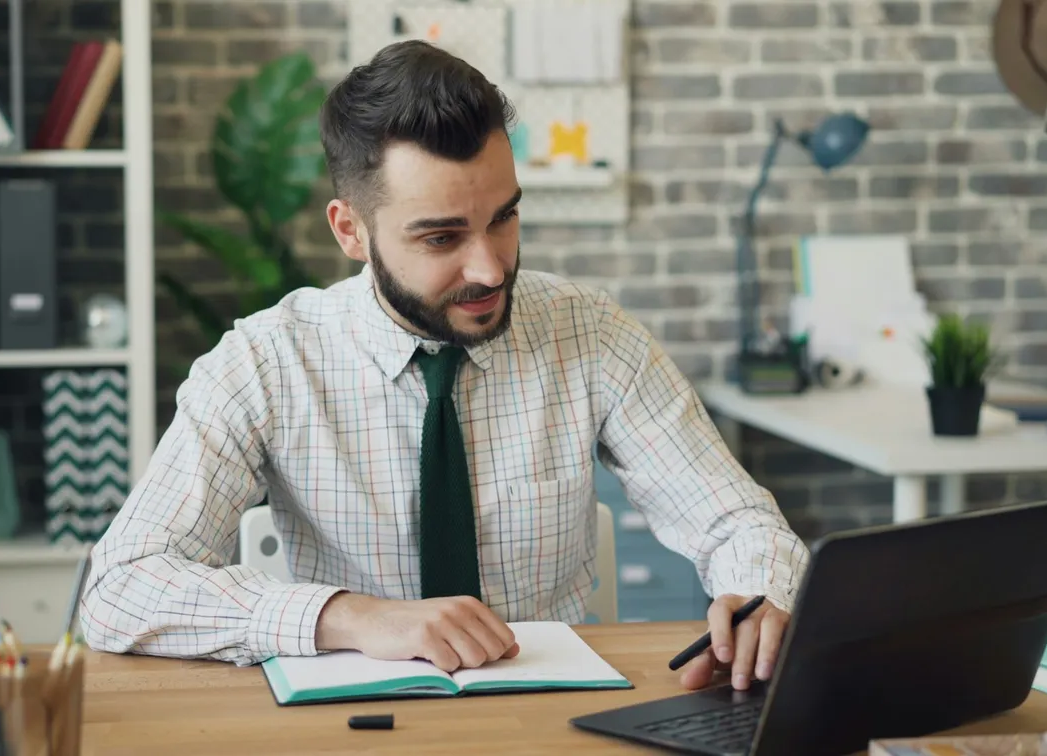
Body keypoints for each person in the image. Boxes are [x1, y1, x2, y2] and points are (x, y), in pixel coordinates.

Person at [79, 40, 810, 694]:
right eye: (441, 238)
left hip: (551, 722)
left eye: (504, 217)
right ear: (351, 231)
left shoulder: (592, 335)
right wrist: (352, 617)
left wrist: (757, 595)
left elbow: (735, 521)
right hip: (349, 729)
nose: (490, 267)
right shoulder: (267, 361)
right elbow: (119, 586)